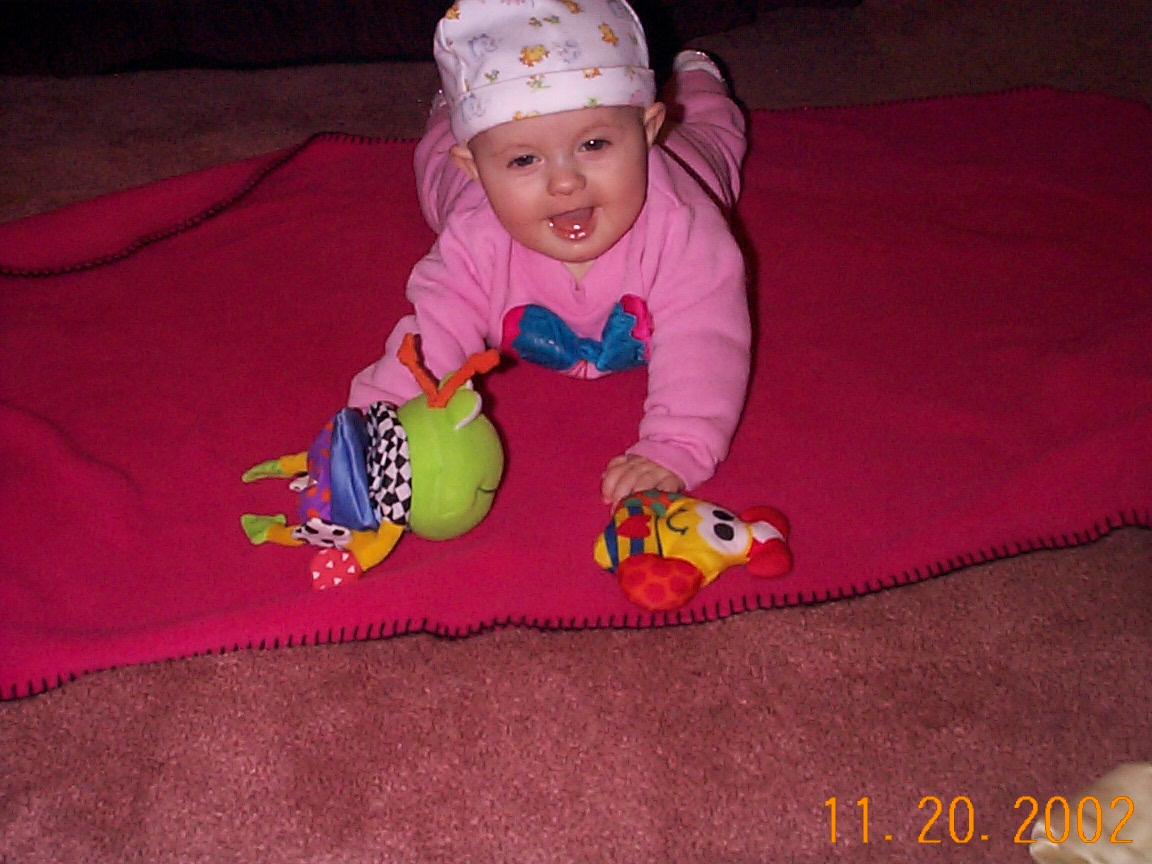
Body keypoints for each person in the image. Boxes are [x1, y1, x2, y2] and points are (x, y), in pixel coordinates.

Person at [348, 0, 750, 506]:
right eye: (525, 159)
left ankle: (699, 75)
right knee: (435, 168)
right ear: (477, 169)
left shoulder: (685, 227)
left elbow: (706, 336)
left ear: (648, 131)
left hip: (685, 161)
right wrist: (381, 428)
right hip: (470, 189)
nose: (564, 181)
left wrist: (677, 445)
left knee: (714, 139)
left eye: (594, 145)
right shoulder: (473, 239)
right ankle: (451, 110)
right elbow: (433, 335)